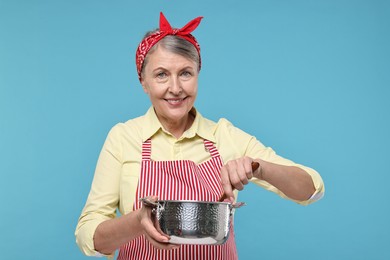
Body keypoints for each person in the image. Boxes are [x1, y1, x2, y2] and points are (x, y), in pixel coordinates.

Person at [75, 12, 325, 260]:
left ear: (197, 75)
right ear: (143, 82)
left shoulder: (224, 135)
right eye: (161, 74)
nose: (175, 88)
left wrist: (258, 167)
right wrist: (138, 221)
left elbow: (311, 189)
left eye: (185, 73)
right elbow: (88, 235)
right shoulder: (123, 137)